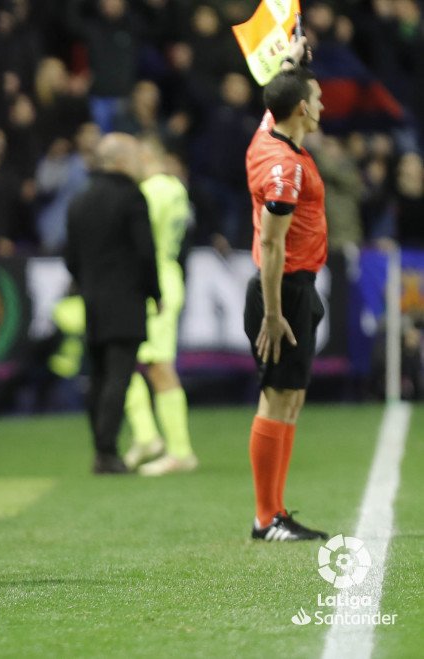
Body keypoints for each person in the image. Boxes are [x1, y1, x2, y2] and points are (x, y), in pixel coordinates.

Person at [243, 37, 329, 542]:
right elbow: (271, 246)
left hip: (299, 286)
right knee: (276, 400)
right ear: (301, 109)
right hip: (283, 292)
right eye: (316, 100)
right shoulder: (285, 168)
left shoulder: (269, 138)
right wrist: (274, 315)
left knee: (290, 401)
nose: (321, 107)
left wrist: (289, 62)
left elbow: (273, 102)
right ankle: (265, 517)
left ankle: (274, 512)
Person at [65, 132, 160, 474]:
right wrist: (156, 293)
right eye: (135, 156)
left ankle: (100, 447)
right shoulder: (132, 198)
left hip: (93, 300)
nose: (139, 162)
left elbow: (70, 258)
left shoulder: (80, 200)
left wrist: (89, 282)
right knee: (119, 376)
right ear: (119, 161)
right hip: (127, 300)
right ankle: (106, 451)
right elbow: (145, 252)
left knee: (100, 376)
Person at [123, 135, 198, 476]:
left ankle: (179, 450)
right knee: (132, 361)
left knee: (158, 365)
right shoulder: (176, 188)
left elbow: (137, 238)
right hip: (167, 274)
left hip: (157, 281)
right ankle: (147, 436)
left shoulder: (153, 191)